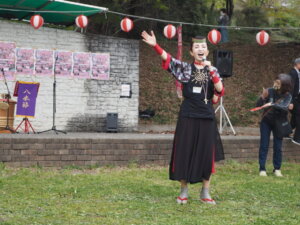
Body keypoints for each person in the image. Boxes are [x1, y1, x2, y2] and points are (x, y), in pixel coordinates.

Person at [141, 31, 225, 205]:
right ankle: (184, 190)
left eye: (203, 47)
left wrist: (211, 70)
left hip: (207, 117)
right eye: (197, 47)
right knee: (184, 151)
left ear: (207, 51)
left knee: (206, 154)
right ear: (191, 52)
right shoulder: (186, 69)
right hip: (187, 116)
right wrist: (155, 46)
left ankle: (205, 192)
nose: (200, 49)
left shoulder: (213, 70)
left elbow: (220, 90)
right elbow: (169, 59)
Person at [256, 74, 292, 177]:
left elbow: (284, 107)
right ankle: (262, 168)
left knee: (278, 146)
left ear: (284, 85)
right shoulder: (269, 91)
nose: (276, 84)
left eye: (278, 83)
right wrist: (262, 97)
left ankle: (277, 168)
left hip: (279, 123)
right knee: (264, 145)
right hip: (266, 121)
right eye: (276, 81)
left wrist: (272, 104)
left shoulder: (287, 95)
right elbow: (258, 106)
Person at [289, 58, 300, 145]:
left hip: (297, 98)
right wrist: (291, 101)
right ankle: (296, 139)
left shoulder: (297, 73)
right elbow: (291, 88)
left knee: (294, 118)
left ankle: (286, 132)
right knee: (298, 117)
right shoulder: (293, 73)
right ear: (297, 64)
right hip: (294, 99)